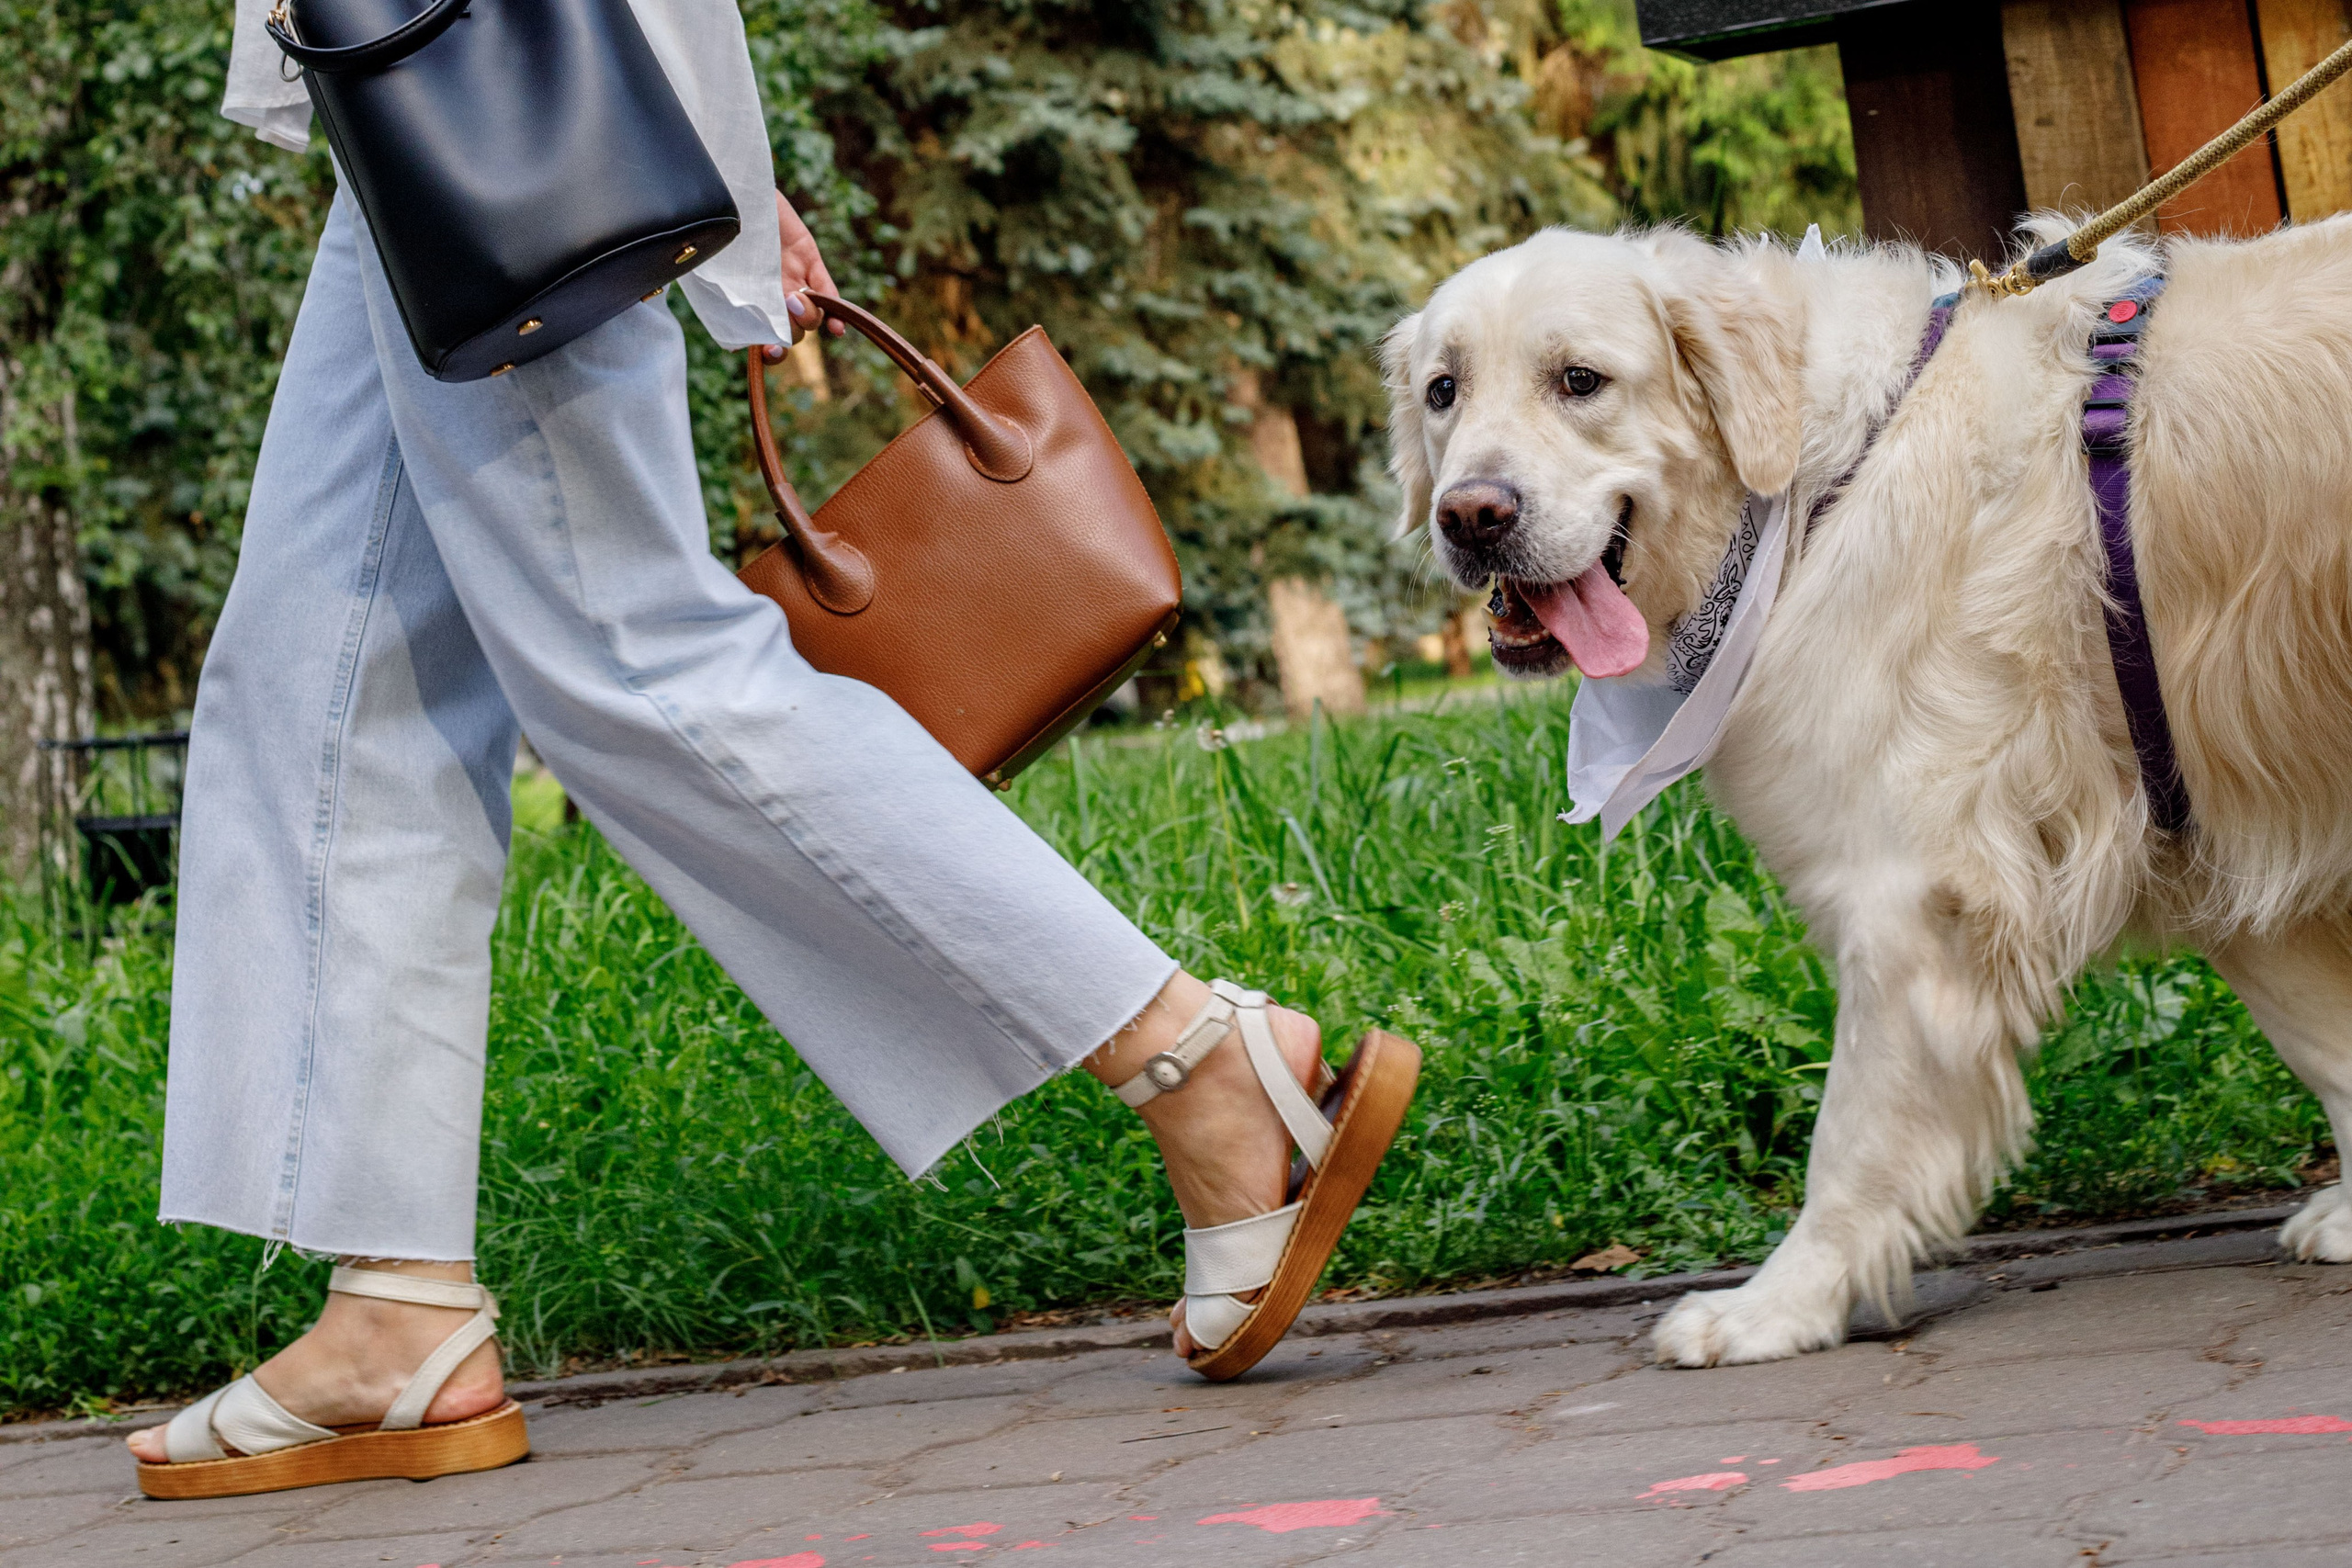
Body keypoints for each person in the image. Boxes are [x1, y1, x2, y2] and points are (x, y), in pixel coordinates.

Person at [124, 0, 1419, 1502]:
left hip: (470, 54)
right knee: (331, 688)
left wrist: (688, 134)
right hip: (408, 76)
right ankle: (392, 1307)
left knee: (639, 660)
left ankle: (1199, 1057)